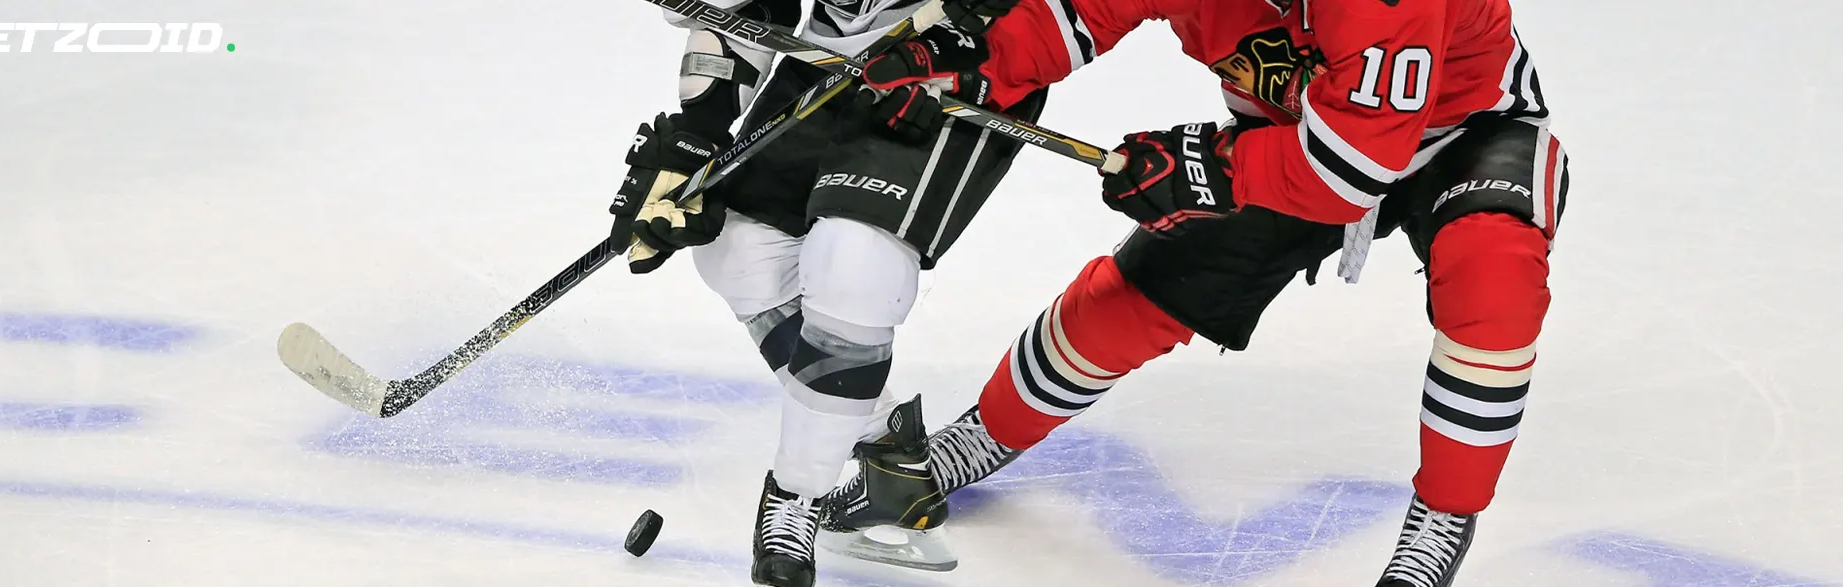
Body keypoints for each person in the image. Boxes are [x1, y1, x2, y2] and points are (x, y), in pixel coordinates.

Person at [825, 0, 1568, 585]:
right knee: (1128, 303)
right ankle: (972, 443)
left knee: (1492, 279)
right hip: (1290, 134)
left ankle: (1443, 517)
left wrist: (1202, 165)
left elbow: (1352, 169)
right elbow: (1073, 16)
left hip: (1467, 129)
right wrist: (971, 65)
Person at [606, 0, 1046, 585]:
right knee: (738, 249)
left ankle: (796, 495)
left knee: (856, 270)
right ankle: (890, 462)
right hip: (830, 53)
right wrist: (698, 132)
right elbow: (739, 11)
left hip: (957, 74)